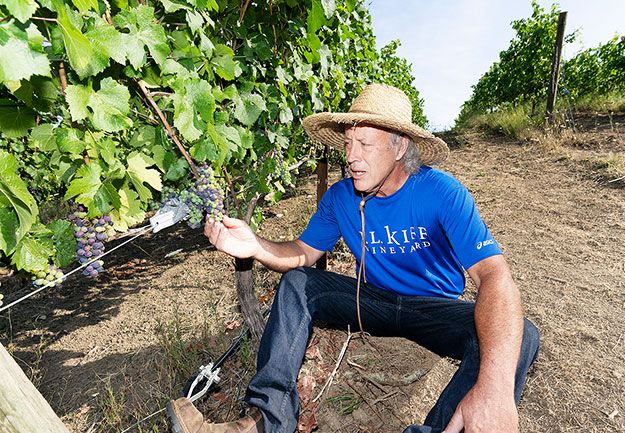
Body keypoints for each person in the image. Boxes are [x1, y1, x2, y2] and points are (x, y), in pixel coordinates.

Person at [167, 83, 540, 433]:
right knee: (299, 283)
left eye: (364, 143)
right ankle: (267, 421)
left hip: (434, 310)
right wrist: (256, 246)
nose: (350, 157)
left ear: (399, 147)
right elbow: (302, 253)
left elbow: (494, 275)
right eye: (348, 143)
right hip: (371, 301)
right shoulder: (341, 197)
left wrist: (494, 386)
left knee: (520, 334)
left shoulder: (441, 192)